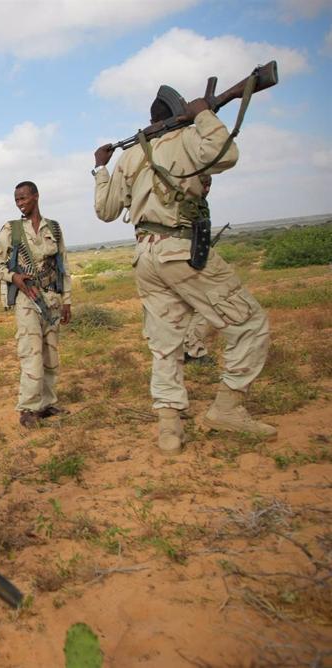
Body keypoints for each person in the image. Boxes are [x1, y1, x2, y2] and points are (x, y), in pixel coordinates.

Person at [93, 87, 275, 453]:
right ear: (181, 113)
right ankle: (227, 408)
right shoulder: (188, 137)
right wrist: (204, 114)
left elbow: (106, 211)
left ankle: (169, 429)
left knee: (165, 344)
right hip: (180, 250)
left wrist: (100, 168)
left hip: (145, 256)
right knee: (250, 324)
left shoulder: (130, 156)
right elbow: (227, 154)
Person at [0, 181, 71, 428]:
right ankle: (28, 409)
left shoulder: (53, 228)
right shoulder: (11, 230)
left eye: (23, 198)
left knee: (50, 355)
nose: (20, 203)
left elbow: (63, 265)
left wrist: (67, 300)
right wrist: (13, 277)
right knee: (31, 352)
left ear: (36, 196)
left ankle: (47, 403)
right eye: (17, 200)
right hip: (27, 298)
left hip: (52, 298)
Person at [184, 175, 216, 366]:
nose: (206, 189)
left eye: (209, 185)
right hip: (184, 262)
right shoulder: (187, 202)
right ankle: (194, 351)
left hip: (193, 259)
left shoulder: (200, 203)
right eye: (203, 184)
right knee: (204, 306)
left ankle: (187, 350)